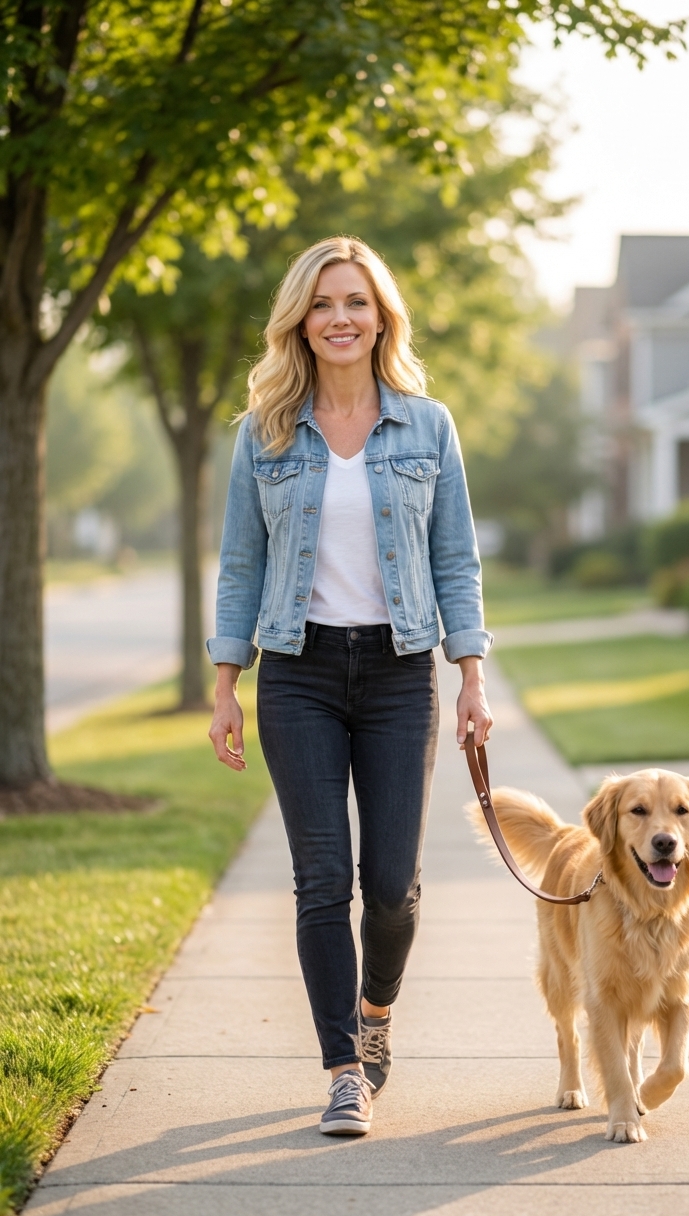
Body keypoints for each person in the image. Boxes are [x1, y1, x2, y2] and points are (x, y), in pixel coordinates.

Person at [207, 236, 493, 1136]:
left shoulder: (427, 425)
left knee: (393, 884)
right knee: (320, 878)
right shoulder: (264, 432)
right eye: (323, 303)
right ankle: (342, 1070)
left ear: (380, 319)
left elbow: (456, 560)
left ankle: (375, 1017)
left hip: (402, 671)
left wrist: (471, 679)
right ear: (300, 318)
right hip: (299, 673)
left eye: (356, 303)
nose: (339, 318)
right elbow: (239, 569)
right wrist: (226, 686)